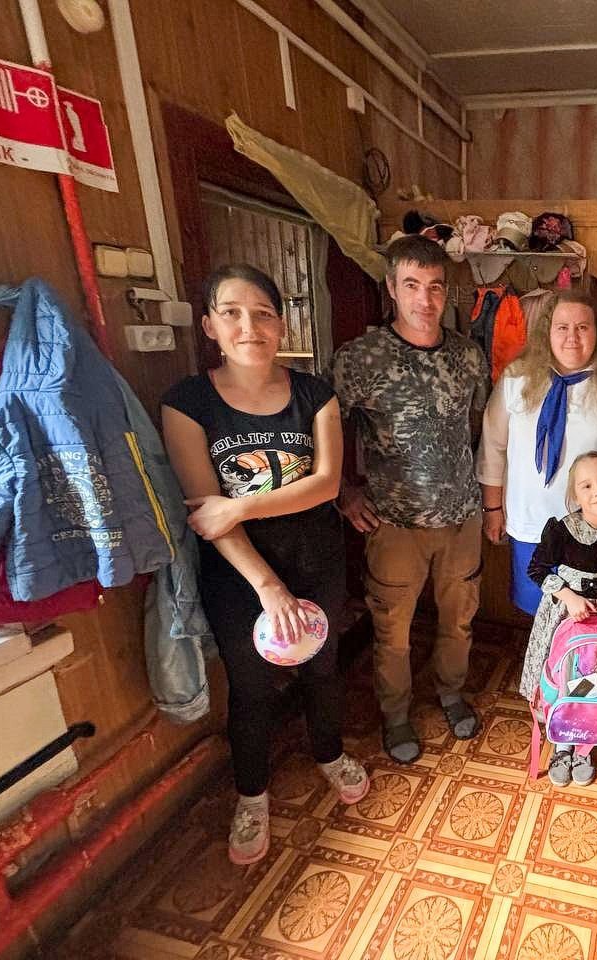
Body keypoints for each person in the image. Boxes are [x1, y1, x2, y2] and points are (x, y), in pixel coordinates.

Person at [162, 264, 369, 866]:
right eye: (231, 312)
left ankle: (329, 752)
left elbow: (325, 483)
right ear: (209, 324)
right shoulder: (187, 403)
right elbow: (207, 514)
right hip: (238, 573)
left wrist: (242, 505)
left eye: (263, 314)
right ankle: (252, 796)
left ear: (281, 325)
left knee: (322, 669)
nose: (248, 326)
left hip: (316, 557)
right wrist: (267, 585)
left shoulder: (314, 394)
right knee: (250, 687)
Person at [329, 235, 489, 765]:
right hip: (393, 521)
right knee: (391, 630)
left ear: (447, 292)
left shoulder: (469, 356)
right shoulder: (359, 359)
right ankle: (395, 714)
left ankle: (450, 692)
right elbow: (321, 429)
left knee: (459, 619)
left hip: (461, 516)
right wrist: (343, 491)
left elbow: (479, 430)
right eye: (412, 285)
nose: (425, 299)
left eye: (435, 286)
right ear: (392, 288)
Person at [477, 289, 597, 616]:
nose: (572, 337)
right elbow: (493, 444)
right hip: (532, 522)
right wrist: (492, 508)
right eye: (562, 327)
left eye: (582, 327)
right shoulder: (517, 378)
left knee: (590, 619)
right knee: (539, 614)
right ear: (546, 332)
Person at [524, 451, 597, 787]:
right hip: (566, 617)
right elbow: (536, 569)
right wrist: (568, 596)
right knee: (567, 674)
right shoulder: (562, 530)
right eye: (587, 486)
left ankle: (587, 740)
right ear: (575, 494)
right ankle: (562, 740)